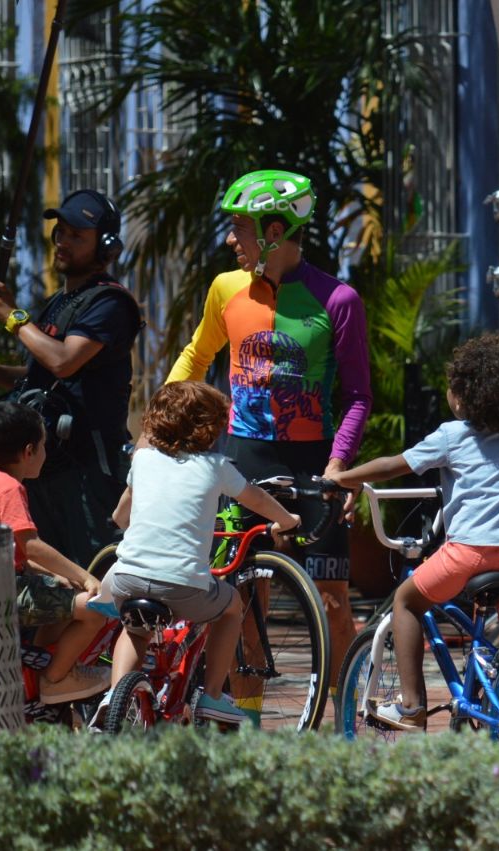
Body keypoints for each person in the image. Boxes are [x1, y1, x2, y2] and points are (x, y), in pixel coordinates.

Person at [167, 170, 371, 686]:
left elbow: (357, 396)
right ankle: (250, 725)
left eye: (241, 228)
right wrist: (158, 428)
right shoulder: (226, 289)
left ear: (275, 231)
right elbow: (197, 356)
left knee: (333, 603)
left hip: (313, 465)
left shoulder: (338, 300)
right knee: (243, 600)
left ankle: (341, 731)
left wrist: (338, 466)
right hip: (246, 459)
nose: (232, 240)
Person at [329, 335, 499, 731]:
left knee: (408, 602)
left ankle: (411, 706)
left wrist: (346, 477)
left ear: (463, 396)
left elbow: (394, 466)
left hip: (470, 552)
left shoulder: (452, 434)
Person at [0, 190, 142, 566]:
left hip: (88, 466)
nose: (62, 242)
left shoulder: (110, 303)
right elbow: (41, 378)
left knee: (95, 569)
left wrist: (12, 316)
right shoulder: (61, 300)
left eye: (76, 236)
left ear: (106, 245)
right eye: (61, 232)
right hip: (44, 462)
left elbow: (63, 362)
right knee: (47, 575)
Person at [102, 381, 302, 726]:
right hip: (184, 587)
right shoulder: (216, 466)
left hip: (127, 579)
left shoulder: (144, 458)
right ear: (210, 429)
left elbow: (122, 513)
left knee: (135, 629)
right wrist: (286, 520)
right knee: (230, 608)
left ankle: (114, 699)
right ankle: (211, 696)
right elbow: (253, 497)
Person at [0, 401, 110, 702]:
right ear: (28, 452)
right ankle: (56, 679)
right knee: (95, 611)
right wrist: (87, 577)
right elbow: (32, 547)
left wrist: (58, 575)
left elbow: (16, 555)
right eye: (43, 446)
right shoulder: (9, 488)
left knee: (63, 595)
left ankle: (36, 675)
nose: (45, 454)